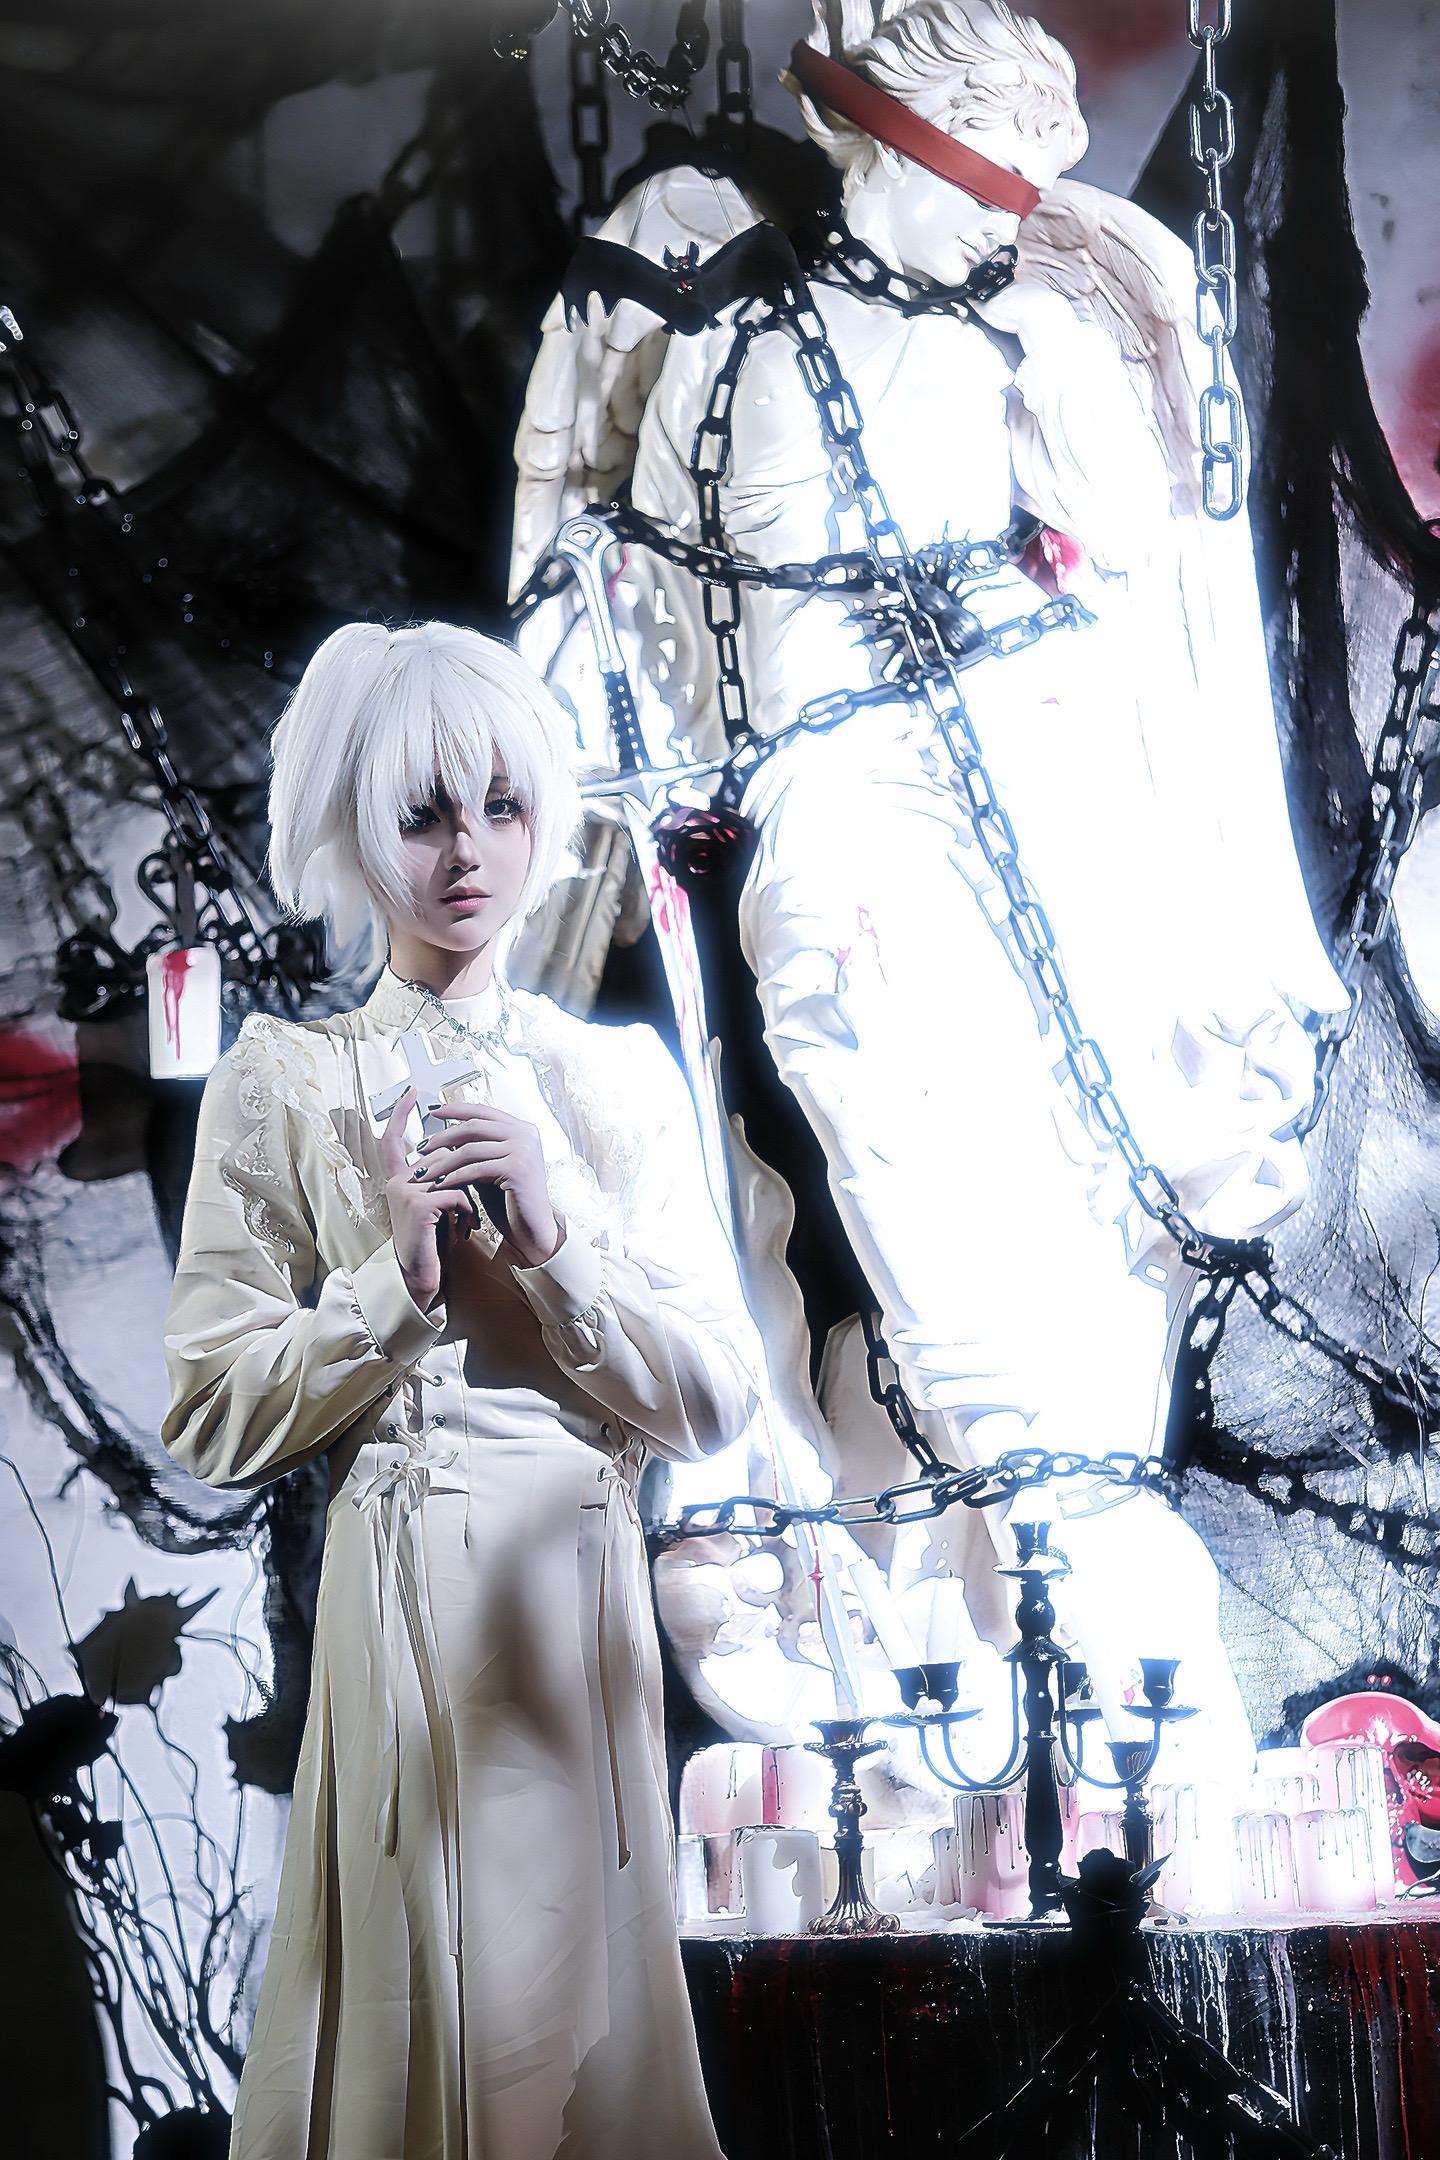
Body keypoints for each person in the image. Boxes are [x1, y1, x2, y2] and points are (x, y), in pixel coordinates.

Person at [513, 0, 1347, 1779]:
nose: (1007, 223)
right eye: (984, 190)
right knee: (904, 1158)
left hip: (1036, 807)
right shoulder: (732, 345)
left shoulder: (1025, 334)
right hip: (844, 827)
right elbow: (652, 609)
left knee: (1078, 1194)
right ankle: (1057, 1543)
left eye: (1025, 196)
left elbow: (1137, 596)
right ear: (885, 152)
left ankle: (1035, 1556)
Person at [162, 620, 758, 2160]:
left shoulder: (609, 1079)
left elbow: (716, 1397)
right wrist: (394, 1291)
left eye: (502, 805)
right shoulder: (286, 1079)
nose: (469, 850)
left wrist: (555, 1244)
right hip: (401, 1618)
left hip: (579, 1626)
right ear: (361, 828)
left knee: (583, 2061)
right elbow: (211, 1410)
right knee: (432, 2044)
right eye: (424, 815)